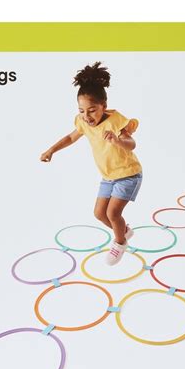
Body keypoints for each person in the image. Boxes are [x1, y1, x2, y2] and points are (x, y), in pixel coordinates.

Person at [40, 62, 143, 265]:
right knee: (99, 214)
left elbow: (132, 144)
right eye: (82, 111)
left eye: (92, 110)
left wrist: (118, 140)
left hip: (128, 174)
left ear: (104, 105)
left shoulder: (115, 121)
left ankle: (120, 242)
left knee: (113, 213)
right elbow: (70, 137)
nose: (87, 116)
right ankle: (124, 231)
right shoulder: (83, 122)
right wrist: (51, 150)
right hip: (108, 176)